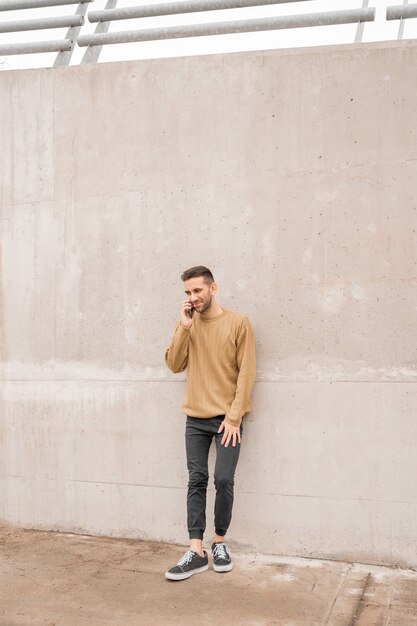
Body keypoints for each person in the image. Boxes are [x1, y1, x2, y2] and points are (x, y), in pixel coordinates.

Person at [164, 266, 256, 581]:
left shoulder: (237, 323)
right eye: (188, 293)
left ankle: (219, 542)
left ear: (213, 288)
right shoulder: (189, 325)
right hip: (195, 419)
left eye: (197, 291)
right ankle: (196, 550)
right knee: (197, 480)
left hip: (227, 420)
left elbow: (246, 373)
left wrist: (234, 417)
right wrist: (184, 325)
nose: (192, 297)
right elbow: (174, 364)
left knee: (224, 479)